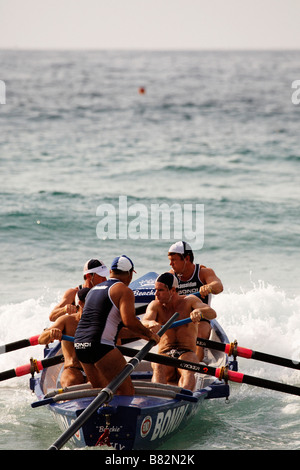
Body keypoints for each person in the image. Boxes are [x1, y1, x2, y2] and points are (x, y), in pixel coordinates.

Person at [74, 255, 160, 395]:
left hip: (79, 345)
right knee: (125, 391)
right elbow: (130, 322)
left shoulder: (92, 291)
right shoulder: (124, 290)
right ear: (130, 274)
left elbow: (115, 330)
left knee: (101, 393)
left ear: (111, 272)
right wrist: (150, 335)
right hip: (100, 346)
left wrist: (140, 334)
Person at [142, 272, 217, 390]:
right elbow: (144, 321)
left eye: (160, 290)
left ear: (172, 290)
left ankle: (184, 397)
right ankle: (158, 398)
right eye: (155, 290)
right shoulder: (155, 305)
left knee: (188, 369)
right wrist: (151, 323)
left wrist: (200, 312)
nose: (156, 294)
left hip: (186, 352)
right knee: (157, 366)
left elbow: (212, 313)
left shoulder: (189, 301)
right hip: (165, 353)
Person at [168, 241, 223, 360]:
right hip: (180, 320)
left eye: (174, 260)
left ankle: (195, 365)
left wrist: (209, 287)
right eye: (170, 260)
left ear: (187, 258)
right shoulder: (170, 277)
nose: (170, 264)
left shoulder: (203, 272)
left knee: (197, 334)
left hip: (201, 319)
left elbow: (218, 286)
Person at [38, 287, 91, 388]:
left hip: (95, 368)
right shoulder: (67, 320)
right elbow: (41, 339)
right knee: (70, 382)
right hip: (73, 369)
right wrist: (51, 334)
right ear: (80, 303)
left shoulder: (102, 321)